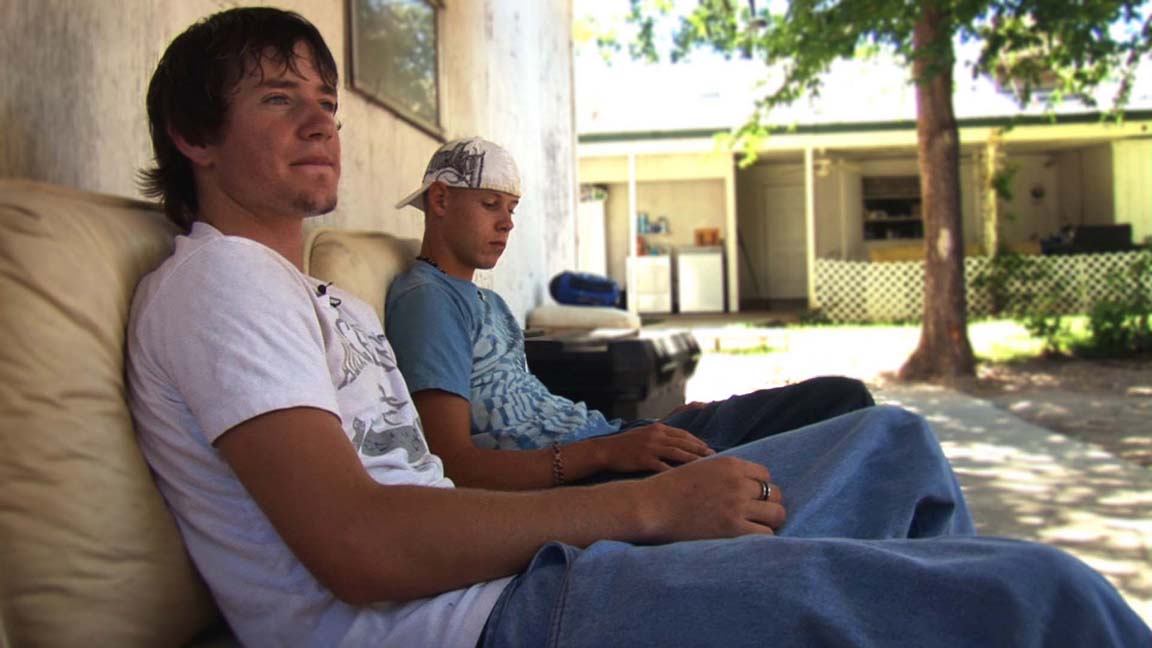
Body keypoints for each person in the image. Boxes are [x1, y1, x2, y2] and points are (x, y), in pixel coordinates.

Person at [126, 7, 1151, 648]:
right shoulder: (217, 286)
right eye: (280, 100)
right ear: (192, 137)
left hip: (518, 568)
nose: (321, 121)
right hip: (485, 619)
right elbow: (359, 545)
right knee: (1043, 597)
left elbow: (426, 490)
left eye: (327, 102)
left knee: (893, 447)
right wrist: (646, 506)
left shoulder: (330, 300)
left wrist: (629, 500)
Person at [386, 138, 874, 488]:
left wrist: (641, 430)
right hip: (598, 475)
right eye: (491, 204)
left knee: (839, 398)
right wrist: (607, 451)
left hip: (616, 443)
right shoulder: (428, 300)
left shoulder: (487, 301)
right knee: (839, 434)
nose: (507, 223)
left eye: (512, 209)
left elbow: (529, 408)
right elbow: (451, 462)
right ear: (441, 199)